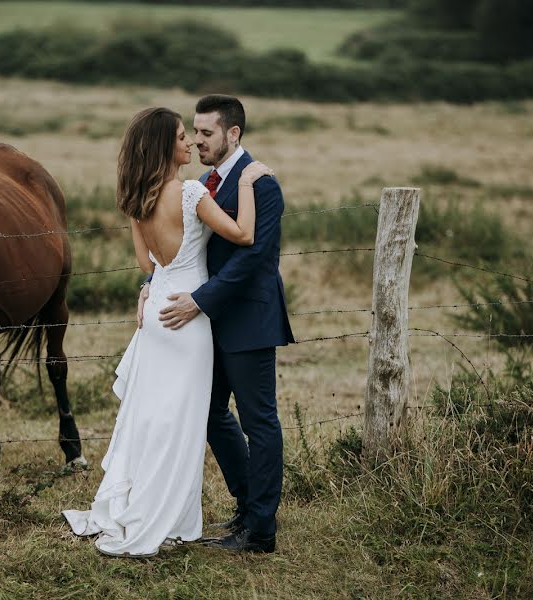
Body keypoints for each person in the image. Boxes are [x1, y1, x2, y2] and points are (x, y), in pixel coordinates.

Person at [62, 106, 273, 557]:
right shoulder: (191, 192)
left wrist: (150, 288)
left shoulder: (137, 201)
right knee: (181, 422)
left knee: (153, 417)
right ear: (165, 147)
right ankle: (168, 512)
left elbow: (148, 265)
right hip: (188, 318)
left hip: (159, 311)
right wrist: (251, 183)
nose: (190, 143)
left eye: (193, 134)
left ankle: (142, 504)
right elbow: (244, 234)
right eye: (182, 136)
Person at [154, 95, 295, 553]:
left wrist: (199, 300)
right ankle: (248, 503)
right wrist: (150, 283)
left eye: (206, 133)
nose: (196, 141)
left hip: (248, 320)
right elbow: (187, 245)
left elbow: (254, 258)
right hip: (210, 324)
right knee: (210, 412)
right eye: (194, 132)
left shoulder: (263, 185)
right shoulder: (204, 183)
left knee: (260, 421)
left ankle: (261, 531)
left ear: (233, 133)